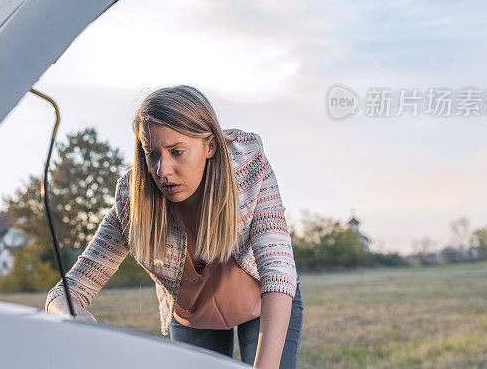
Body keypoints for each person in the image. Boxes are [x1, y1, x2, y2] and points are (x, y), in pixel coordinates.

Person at [45, 85, 303, 368]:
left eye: (177, 151)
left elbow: (278, 272)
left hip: (264, 303)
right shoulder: (133, 202)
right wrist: (78, 320)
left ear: (210, 146)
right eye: (152, 154)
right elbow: (63, 294)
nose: (162, 170)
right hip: (194, 317)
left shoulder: (248, 166)